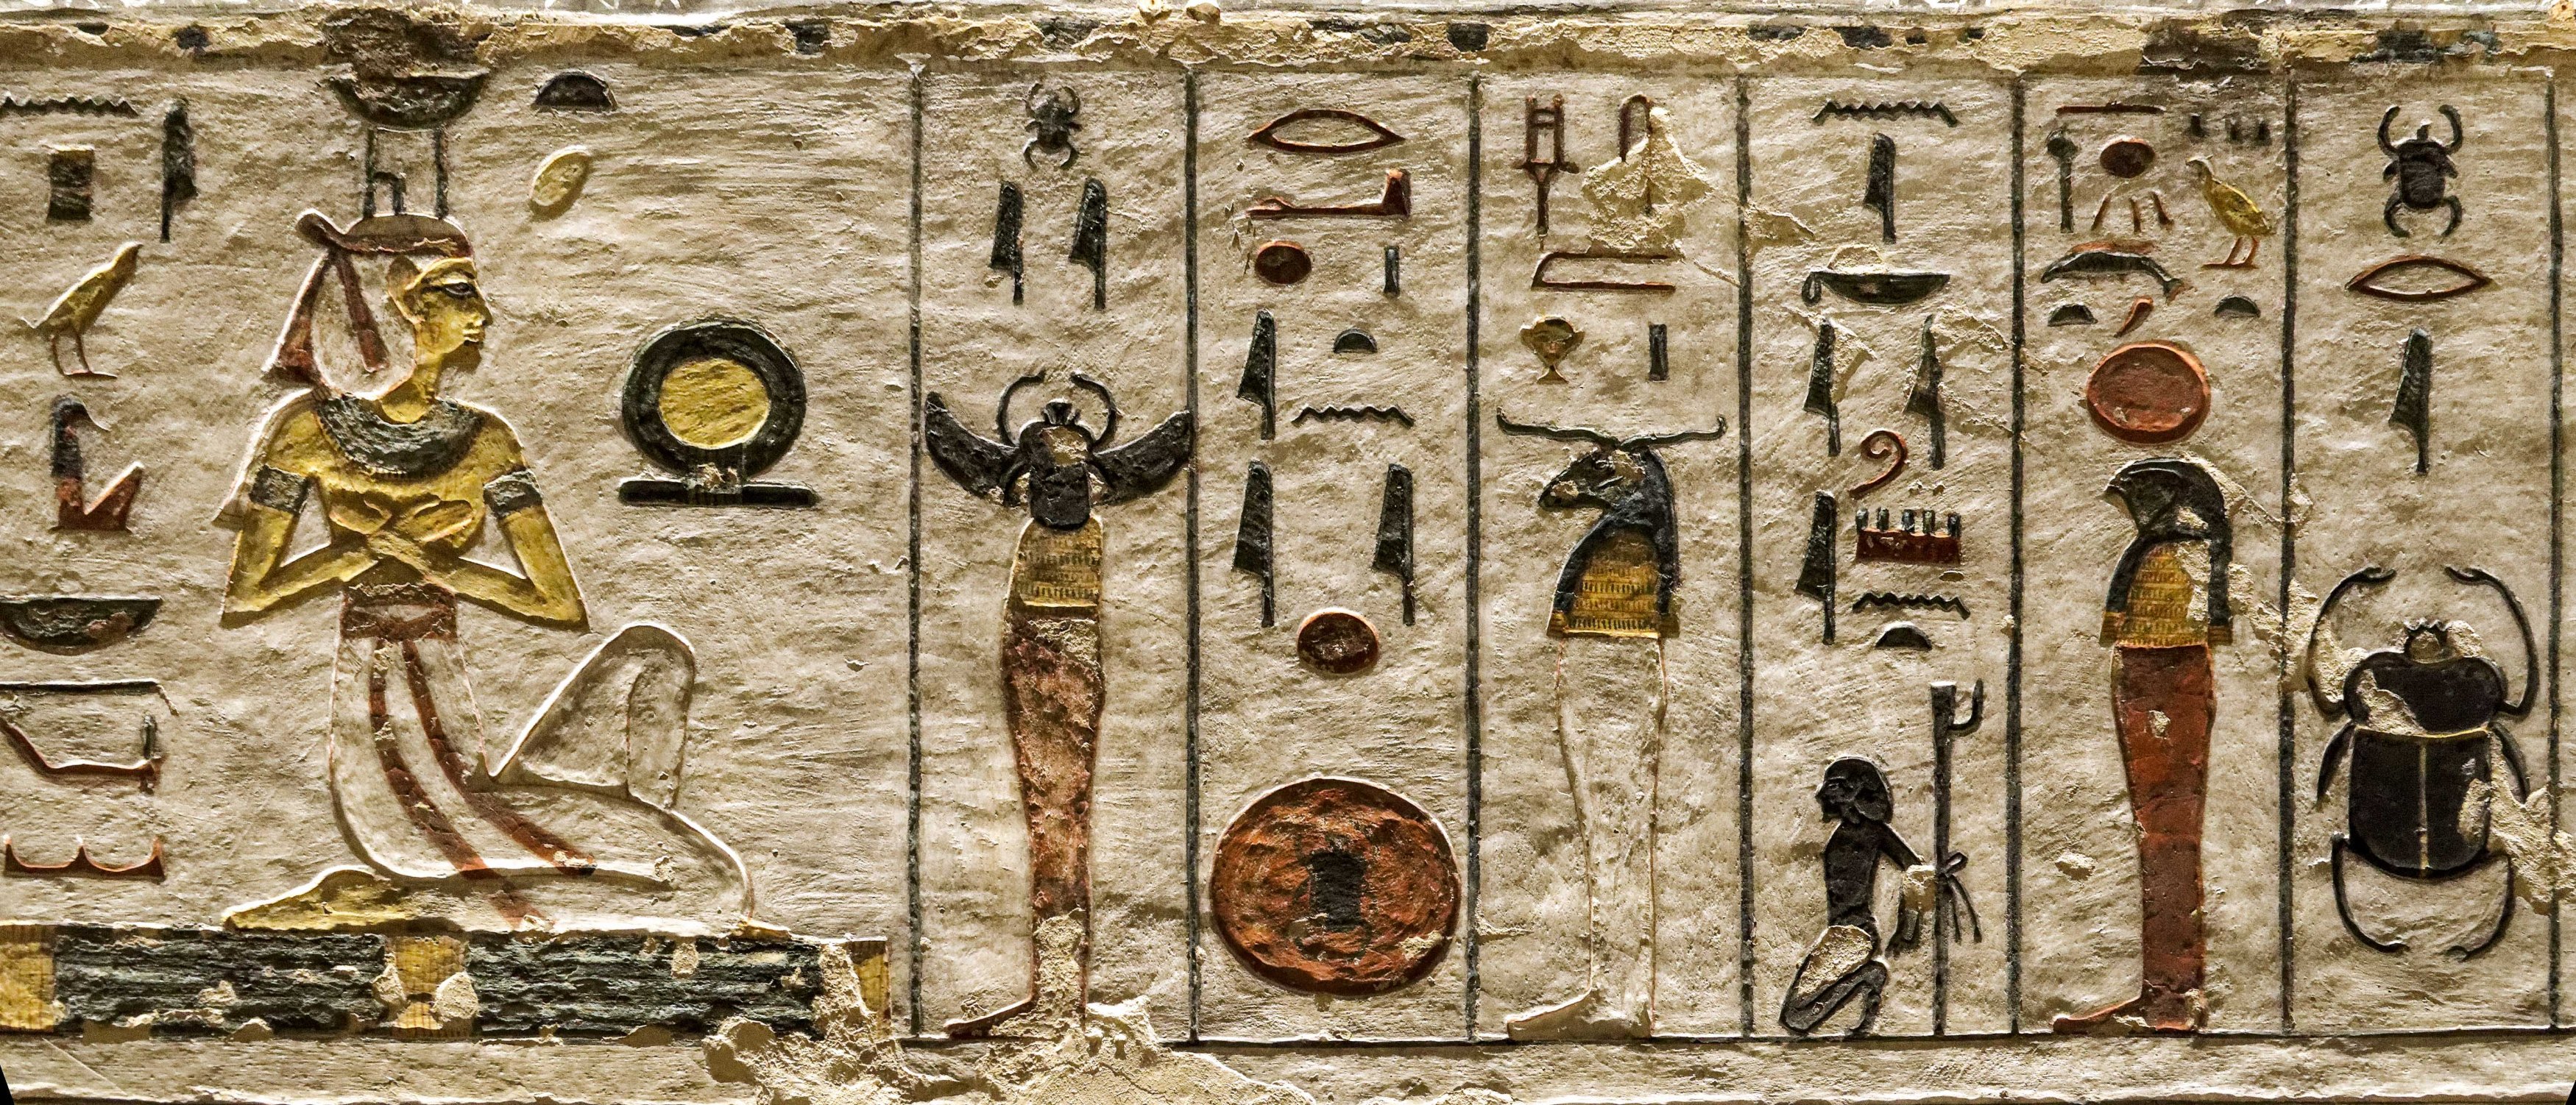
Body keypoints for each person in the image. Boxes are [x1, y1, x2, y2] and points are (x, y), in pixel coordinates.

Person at [219, 212, 749, 936]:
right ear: (397, 307)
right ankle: (406, 906)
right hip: (402, 781)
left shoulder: (487, 440)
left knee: (655, 656)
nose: (484, 315)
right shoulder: (305, 433)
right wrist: (357, 554)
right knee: (715, 890)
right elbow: (248, 591)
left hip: (468, 763)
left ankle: (613, 880)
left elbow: (557, 601)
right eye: (461, 293)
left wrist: (439, 566)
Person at [2056, 458, 2230, 1033]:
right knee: (2160, 835)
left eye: (2141, 499)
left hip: (2166, 679)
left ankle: (2172, 998)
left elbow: (2186, 629)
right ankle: (2166, 994)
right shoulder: (2162, 553)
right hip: (2149, 676)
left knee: (2168, 835)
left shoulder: (2179, 555)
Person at [1780, 758, 1975, 1037]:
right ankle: (1867, 977)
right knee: (1795, 1016)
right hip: (1840, 932)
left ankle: (1868, 975)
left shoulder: (1874, 831)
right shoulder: (1844, 832)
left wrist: (1907, 927)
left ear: (1852, 792)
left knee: (1796, 1018)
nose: (1825, 795)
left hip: (1854, 933)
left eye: (1834, 787)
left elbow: (1915, 870)